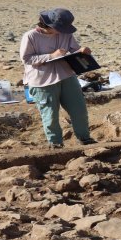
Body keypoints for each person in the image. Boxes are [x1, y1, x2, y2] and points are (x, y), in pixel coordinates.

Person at [20, 8, 96, 148]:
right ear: (49, 25)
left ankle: (85, 139)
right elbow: (26, 58)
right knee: (50, 114)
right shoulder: (30, 36)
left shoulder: (66, 34)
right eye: (60, 28)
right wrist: (51, 56)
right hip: (42, 80)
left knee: (79, 110)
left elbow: (74, 50)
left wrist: (81, 51)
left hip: (66, 75)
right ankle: (55, 144)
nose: (63, 31)